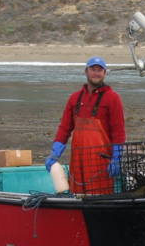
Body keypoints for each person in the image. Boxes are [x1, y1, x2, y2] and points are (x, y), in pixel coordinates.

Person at [45, 56, 125, 195]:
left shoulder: (113, 98)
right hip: (77, 161)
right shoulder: (74, 98)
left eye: (100, 70)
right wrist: (55, 152)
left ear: (104, 73)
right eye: (93, 69)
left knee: (100, 196)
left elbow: (118, 131)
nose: (96, 73)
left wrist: (116, 157)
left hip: (100, 163)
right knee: (76, 195)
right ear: (86, 72)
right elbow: (64, 128)